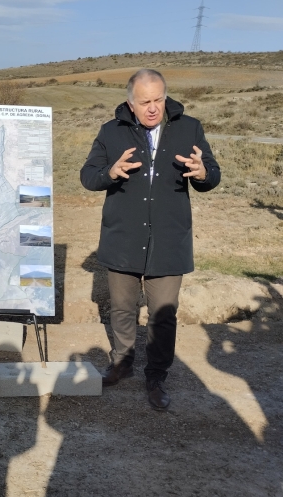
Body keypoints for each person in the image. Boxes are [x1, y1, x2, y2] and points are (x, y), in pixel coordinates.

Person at [80, 69, 220, 410]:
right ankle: (122, 364)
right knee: (123, 309)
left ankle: (156, 376)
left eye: (158, 99)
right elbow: (88, 176)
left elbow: (212, 173)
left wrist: (203, 174)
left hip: (169, 240)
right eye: (145, 102)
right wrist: (109, 173)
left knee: (163, 314)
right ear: (131, 103)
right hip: (123, 238)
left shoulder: (190, 128)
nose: (153, 107)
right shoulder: (111, 132)